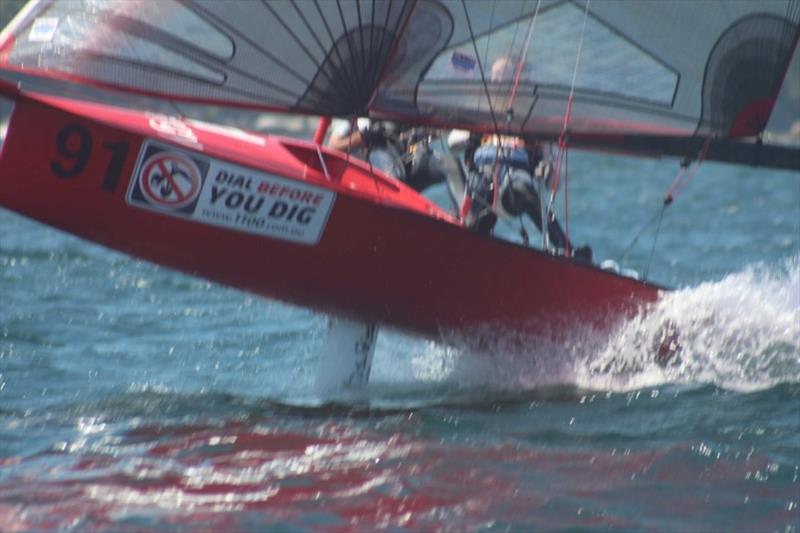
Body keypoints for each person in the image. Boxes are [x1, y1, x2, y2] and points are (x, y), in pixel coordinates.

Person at [460, 54, 592, 263]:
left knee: (521, 187)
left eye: (501, 78)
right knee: (478, 200)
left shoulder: (537, 119)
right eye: (493, 77)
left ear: (518, 81)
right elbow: (462, 149)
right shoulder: (483, 109)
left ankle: (566, 249)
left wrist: (547, 169)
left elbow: (554, 182)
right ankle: (467, 242)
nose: (494, 83)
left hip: (513, 185)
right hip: (484, 176)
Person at [327, 118, 447, 192]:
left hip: (402, 169)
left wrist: (425, 136)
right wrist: (363, 137)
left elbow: (423, 139)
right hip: (369, 178)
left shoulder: (398, 113)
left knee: (447, 166)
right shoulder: (353, 120)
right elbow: (333, 146)